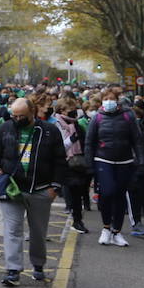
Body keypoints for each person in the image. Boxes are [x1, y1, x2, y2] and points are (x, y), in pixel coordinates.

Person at [0, 97, 66, 286]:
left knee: (38, 232)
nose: (17, 119)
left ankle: (38, 265)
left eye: (21, 116)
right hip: (12, 188)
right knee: (12, 230)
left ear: (33, 112)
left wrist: (55, 187)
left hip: (41, 190)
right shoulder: (5, 128)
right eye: (14, 116)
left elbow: (60, 160)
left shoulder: (49, 131)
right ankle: (13, 269)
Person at [84, 86, 144, 246]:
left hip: (124, 161)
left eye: (112, 99)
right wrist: (89, 164)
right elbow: (89, 143)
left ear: (117, 100)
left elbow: (137, 140)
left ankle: (117, 232)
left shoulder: (128, 116)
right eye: (106, 99)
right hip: (103, 160)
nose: (109, 102)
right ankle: (106, 227)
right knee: (107, 192)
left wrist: (141, 162)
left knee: (120, 196)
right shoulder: (97, 118)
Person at [52, 97, 91, 234]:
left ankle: (77, 220)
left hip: (77, 163)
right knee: (71, 189)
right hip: (63, 162)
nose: (74, 113)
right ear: (62, 110)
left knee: (77, 191)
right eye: (71, 110)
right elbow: (56, 146)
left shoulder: (77, 125)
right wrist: (70, 140)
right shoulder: (56, 124)